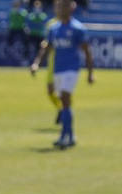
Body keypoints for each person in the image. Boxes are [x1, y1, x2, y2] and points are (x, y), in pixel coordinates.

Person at [29, 0, 94, 149]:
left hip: (71, 69)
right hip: (58, 69)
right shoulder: (54, 28)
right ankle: (69, 135)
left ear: (71, 7)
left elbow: (87, 51)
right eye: (57, 6)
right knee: (64, 102)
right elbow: (47, 47)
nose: (59, 9)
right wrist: (37, 63)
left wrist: (90, 73)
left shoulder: (78, 28)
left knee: (65, 99)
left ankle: (65, 136)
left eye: (63, 6)